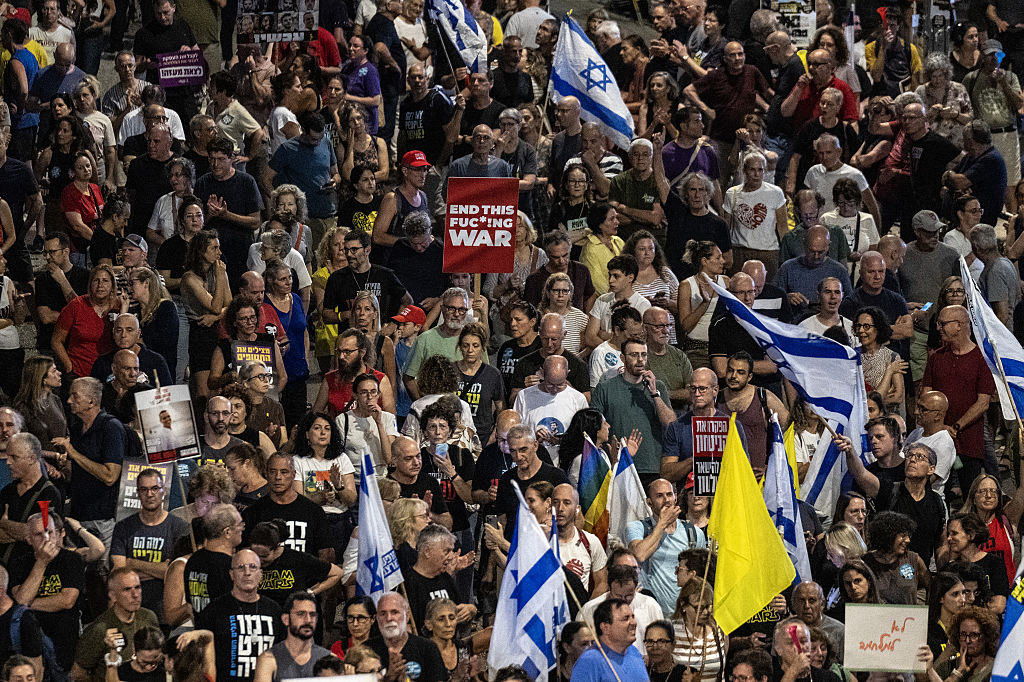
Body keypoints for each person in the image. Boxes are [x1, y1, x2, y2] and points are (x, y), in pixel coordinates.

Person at [921, 305, 995, 486]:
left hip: (967, 443)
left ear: (959, 325)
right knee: (938, 488)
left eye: (943, 323)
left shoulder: (981, 359)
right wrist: (940, 427)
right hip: (937, 440)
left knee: (968, 487)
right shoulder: (936, 358)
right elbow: (925, 396)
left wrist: (955, 427)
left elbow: (983, 402)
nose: (938, 328)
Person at [195, 549, 284, 682]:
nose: (247, 573)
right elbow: (201, 656)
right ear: (232, 574)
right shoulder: (214, 610)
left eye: (253, 567)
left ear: (260, 574)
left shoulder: (274, 610)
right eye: (241, 567)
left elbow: (282, 654)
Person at [11, 515, 85, 675]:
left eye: (49, 532)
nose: (46, 538)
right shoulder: (19, 563)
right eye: (38, 534)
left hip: (63, 645)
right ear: (29, 539)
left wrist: (28, 604)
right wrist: (42, 563)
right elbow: (21, 600)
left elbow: (67, 600)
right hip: (29, 647)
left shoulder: (72, 560)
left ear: (58, 534)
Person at [56, 377, 124, 547]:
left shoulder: (110, 427)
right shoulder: (77, 429)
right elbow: (76, 472)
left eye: (75, 396)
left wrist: (73, 452)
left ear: (92, 401)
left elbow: (110, 476)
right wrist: (63, 468)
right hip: (77, 517)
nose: (69, 400)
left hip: (103, 520)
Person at [625, 478, 706, 616]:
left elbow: (702, 576)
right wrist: (662, 523)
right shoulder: (637, 528)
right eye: (659, 496)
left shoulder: (693, 533)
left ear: (675, 497)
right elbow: (640, 554)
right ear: (649, 502)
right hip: (650, 613)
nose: (666, 500)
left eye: (669, 494)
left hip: (685, 614)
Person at [962, 40, 1021, 210]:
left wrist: (1004, 83)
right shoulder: (971, 79)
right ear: (983, 56)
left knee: (1010, 185)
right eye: (990, 55)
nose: (994, 59)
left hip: (1007, 135)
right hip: (984, 139)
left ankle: (1013, 226)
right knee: (984, 184)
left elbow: (1018, 105)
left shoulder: (1010, 77)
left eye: (998, 55)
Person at [662, 367, 745, 484]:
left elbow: (744, 470)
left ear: (715, 390)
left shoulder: (732, 426)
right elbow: (666, 474)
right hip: (690, 497)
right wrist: (695, 459)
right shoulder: (677, 427)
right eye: (693, 388)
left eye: (702, 389)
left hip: (725, 495)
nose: (697, 394)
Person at [72, 569, 159, 682]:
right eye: (127, 589)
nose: (135, 594)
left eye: (137, 587)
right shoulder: (100, 629)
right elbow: (78, 673)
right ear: (113, 595)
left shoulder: (149, 617)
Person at [243, 454, 331, 560]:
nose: (278, 477)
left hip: (304, 575)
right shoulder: (252, 513)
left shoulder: (313, 512)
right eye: (272, 472)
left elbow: (326, 554)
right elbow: (244, 554)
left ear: (293, 475)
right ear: (266, 474)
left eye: (284, 472)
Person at [717, 351, 789, 477]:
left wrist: (774, 466)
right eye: (730, 370)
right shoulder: (716, 399)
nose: (734, 376)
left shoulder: (764, 398)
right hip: (724, 478)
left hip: (757, 481)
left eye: (740, 372)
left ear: (749, 377)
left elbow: (790, 430)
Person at [0, 433, 63, 566]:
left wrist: (4, 524)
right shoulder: (8, 491)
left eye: (14, 457)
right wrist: (23, 532)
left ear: (32, 458)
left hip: (30, 569)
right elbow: (29, 534)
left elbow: (42, 537)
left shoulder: (49, 494)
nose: (8, 462)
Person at [723, 152, 788, 278]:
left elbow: (783, 226)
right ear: (745, 170)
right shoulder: (732, 193)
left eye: (760, 170)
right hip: (740, 251)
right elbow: (726, 227)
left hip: (767, 253)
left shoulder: (775, 193)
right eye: (752, 169)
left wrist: (784, 255)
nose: (756, 174)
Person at [514, 355, 589, 464]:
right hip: (533, 461)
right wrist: (534, 437)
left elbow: (584, 436)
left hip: (567, 462)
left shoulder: (578, 399)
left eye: (560, 385)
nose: (554, 389)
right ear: (542, 373)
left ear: (567, 373)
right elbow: (516, 433)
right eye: (550, 384)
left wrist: (560, 440)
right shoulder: (524, 396)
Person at [365, 592, 446, 681]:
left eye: (394, 612)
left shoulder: (428, 648)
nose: (388, 618)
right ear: (377, 618)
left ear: (407, 616)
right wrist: (390, 677)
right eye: (383, 613)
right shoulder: (366, 650)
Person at [252, 591, 330, 682]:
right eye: (301, 614)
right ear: (286, 619)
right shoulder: (268, 660)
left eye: (312, 615)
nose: (308, 620)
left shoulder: (328, 658)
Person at [183, 502, 241, 617]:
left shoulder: (193, 560)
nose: (242, 529)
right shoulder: (229, 566)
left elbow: (190, 607)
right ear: (227, 532)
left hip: (201, 628)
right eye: (239, 525)